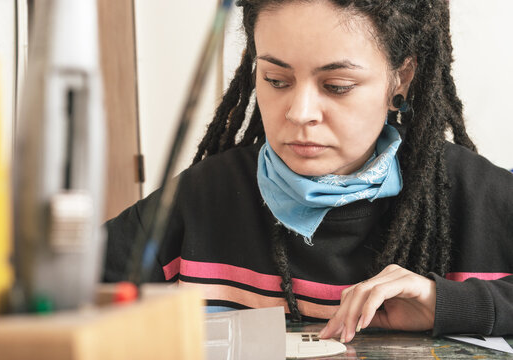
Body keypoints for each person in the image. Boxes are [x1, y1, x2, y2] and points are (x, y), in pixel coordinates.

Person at [104, 0, 513, 344]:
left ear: (400, 79)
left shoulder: (479, 197)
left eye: (336, 85)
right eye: (276, 80)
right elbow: (53, 291)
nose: (299, 114)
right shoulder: (202, 198)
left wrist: (451, 304)